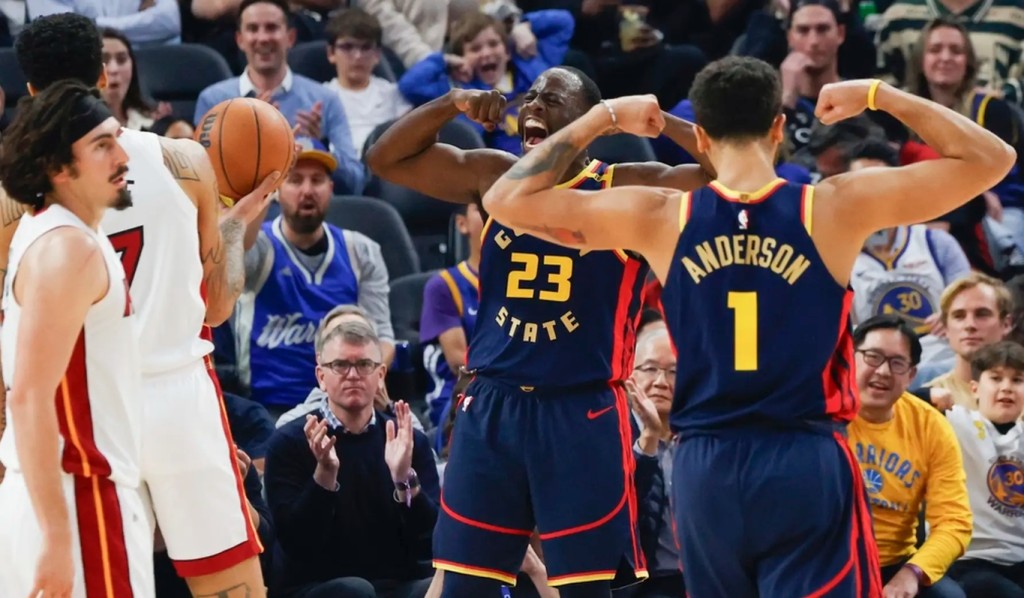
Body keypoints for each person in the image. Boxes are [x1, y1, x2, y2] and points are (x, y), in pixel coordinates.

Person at [482, 56, 1015, 596]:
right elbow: (993, 158)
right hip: (803, 456)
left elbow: (504, 200)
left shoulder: (660, 215)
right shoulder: (832, 207)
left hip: (706, 464)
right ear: (779, 128)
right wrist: (880, 94)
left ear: (702, 137)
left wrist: (604, 118)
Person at [365, 67, 714, 597]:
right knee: (464, 588)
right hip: (493, 406)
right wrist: (451, 102)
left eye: (552, 98)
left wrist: (655, 119)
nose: (533, 104)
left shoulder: (627, 187)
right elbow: (384, 159)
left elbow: (725, 175)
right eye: (530, 95)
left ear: (589, 119)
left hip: (581, 413)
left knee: (584, 590)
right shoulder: (494, 175)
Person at [7, 12, 281, 597]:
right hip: (182, 395)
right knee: (230, 584)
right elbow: (216, 309)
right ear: (103, 76)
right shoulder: (186, 162)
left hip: (85, 410)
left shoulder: (13, 198)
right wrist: (234, 229)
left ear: (29, 90)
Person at [0, 80, 153, 598]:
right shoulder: (71, 250)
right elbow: (28, 396)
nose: (122, 156)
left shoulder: (50, 231)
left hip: (58, 494)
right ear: (58, 168)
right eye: (102, 146)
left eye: (117, 139)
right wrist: (57, 536)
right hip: (78, 498)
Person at [264, 321, 439, 598]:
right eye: (341, 365)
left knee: (450, 586)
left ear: (380, 375)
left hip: (396, 584)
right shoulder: (288, 442)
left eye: (364, 365)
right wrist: (324, 477)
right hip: (316, 586)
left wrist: (404, 480)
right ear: (321, 376)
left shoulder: (408, 440)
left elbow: (428, 543)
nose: (353, 375)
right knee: (356, 591)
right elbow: (296, 546)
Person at [233, 137, 394, 414]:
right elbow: (234, 256)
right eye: (295, 180)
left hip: (342, 406)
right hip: (267, 405)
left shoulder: (361, 251)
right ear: (276, 190)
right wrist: (262, 183)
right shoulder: (259, 247)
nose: (307, 190)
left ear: (331, 188)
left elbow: (383, 338)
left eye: (317, 180)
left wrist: (367, 380)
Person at [849, 315, 971, 598]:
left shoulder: (931, 426)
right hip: (825, 559)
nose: (883, 371)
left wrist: (913, 573)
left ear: (911, 375)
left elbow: (954, 521)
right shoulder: (822, 412)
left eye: (897, 363)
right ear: (850, 359)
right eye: (872, 357)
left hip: (894, 563)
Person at [945, 341, 1024, 597]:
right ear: (975, 388)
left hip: (1019, 559)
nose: (1006, 387)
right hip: (970, 559)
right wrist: (932, 395)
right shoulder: (957, 421)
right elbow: (902, 400)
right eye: (996, 378)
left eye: (1017, 380)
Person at [420, 202, 482, 441]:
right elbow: (459, 362)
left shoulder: (521, 284)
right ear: (462, 224)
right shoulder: (444, 286)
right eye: (481, 207)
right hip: (459, 396)